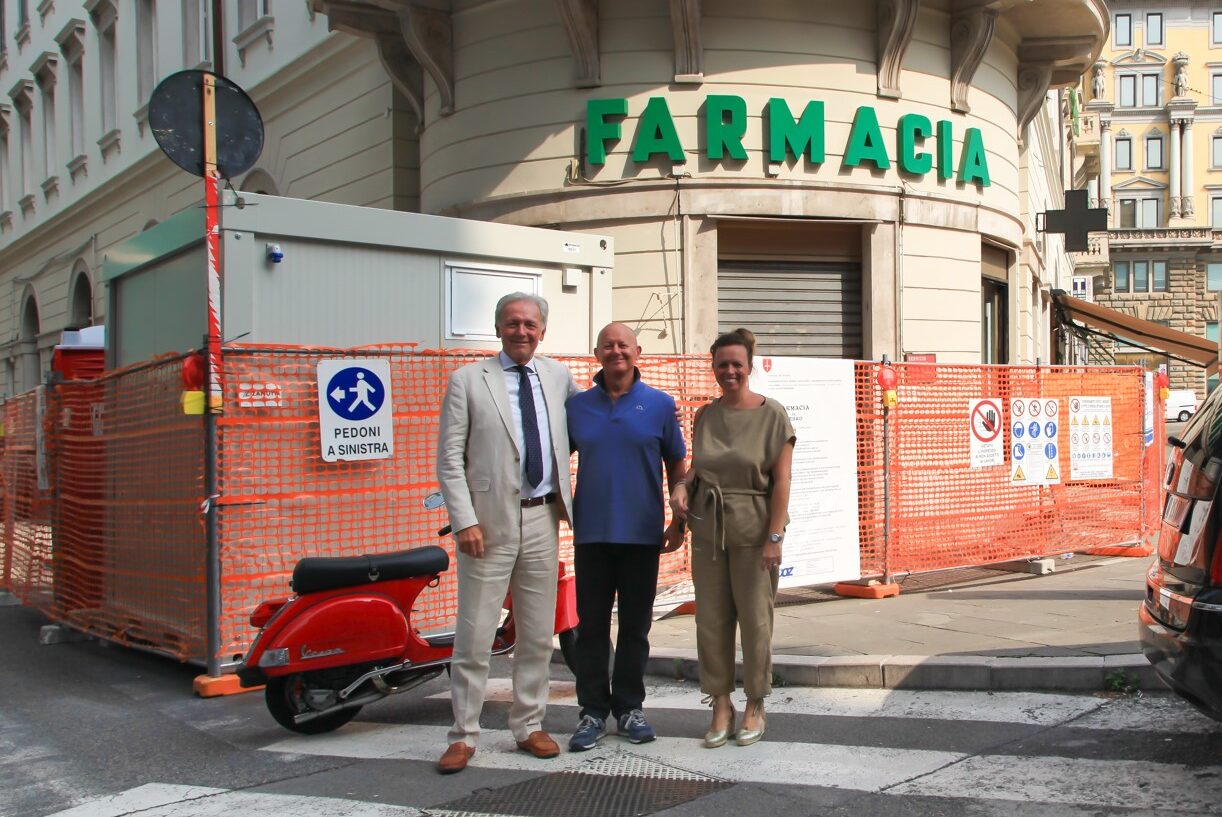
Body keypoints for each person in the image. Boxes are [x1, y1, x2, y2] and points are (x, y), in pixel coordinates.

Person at [434, 292, 577, 774]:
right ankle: (463, 735)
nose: (522, 331)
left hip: (542, 518)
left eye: (530, 324)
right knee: (475, 635)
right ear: (499, 328)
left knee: (537, 634)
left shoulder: (558, 377)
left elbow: (587, 426)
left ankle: (529, 724)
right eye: (513, 323)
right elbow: (450, 460)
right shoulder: (468, 380)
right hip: (487, 525)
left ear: (542, 330)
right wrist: (464, 520)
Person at [668, 328, 795, 749]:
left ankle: (755, 703)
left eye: (737, 364)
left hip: (756, 529)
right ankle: (720, 703)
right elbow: (699, 467)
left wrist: (774, 536)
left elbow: (782, 480)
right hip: (708, 528)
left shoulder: (772, 415)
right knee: (711, 621)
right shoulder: (705, 415)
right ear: (714, 368)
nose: (729, 371)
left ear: (750, 366)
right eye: (722, 364)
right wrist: (684, 485)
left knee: (756, 622)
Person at [565, 322, 687, 751]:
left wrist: (679, 519)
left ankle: (630, 708)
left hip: (641, 536)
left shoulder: (658, 404)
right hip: (592, 535)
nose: (616, 351)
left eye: (624, 345)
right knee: (592, 628)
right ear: (596, 353)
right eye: (608, 345)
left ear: (637, 352)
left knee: (636, 627)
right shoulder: (577, 407)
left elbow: (677, 464)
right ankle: (592, 712)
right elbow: (553, 461)